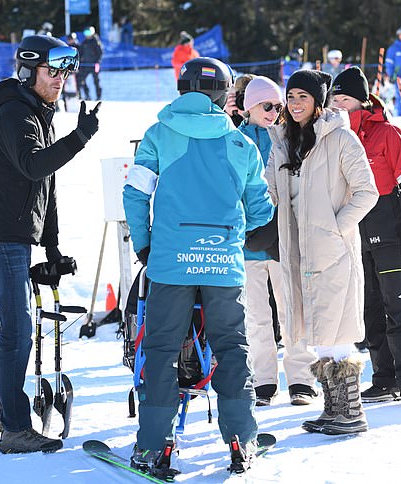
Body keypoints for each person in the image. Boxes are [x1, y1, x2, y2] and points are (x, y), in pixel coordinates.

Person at [123, 57, 274, 471]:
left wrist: (145, 246)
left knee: (160, 349)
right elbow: (261, 210)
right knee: (231, 347)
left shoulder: (156, 135)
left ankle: (153, 444)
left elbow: (135, 195)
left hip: (170, 261)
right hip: (223, 261)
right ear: (225, 95)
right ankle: (241, 439)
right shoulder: (241, 145)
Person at [0, 34, 100, 454]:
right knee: (18, 332)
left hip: (14, 236)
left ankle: (3, 408)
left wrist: (52, 245)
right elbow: (33, 166)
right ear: (28, 73)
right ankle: (13, 426)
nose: (60, 79)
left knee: (16, 330)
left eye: (64, 71)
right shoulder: (15, 116)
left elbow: (47, 184)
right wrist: (79, 138)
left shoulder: (38, 115)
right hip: (0, 237)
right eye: (52, 71)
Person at [266, 69, 379, 435]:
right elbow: (269, 191)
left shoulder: (341, 138)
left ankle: (351, 412)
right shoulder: (284, 141)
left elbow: (367, 192)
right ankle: (334, 410)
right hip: (298, 250)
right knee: (318, 331)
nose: (295, 103)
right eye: (291, 96)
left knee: (337, 330)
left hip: (332, 250)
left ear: (318, 101)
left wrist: (335, 229)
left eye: (303, 96)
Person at [332, 66, 401, 407]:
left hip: (390, 234)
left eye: (345, 99)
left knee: (397, 308)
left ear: (361, 99)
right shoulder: (333, 138)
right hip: (353, 237)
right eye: (335, 100)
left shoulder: (387, 132)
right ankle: (384, 379)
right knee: (369, 311)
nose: (339, 106)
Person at [239, 75, 318, 406]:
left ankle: (301, 378)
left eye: (277, 106)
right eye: (266, 106)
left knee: (291, 310)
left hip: (283, 237)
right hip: (245, 241)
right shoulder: (233, 140)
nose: (273, 112)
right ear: (249, 107)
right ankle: (264, 379)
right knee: (256, 316)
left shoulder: (287, 139)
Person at [78, 26, 103, 100]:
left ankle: (98, 96)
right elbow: (80, 52)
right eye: (86, 33)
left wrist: (97, 62)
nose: (87, 35)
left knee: (96, 81)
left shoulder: (95, 41)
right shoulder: (84, 42)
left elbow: (100, 53)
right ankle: (87, 95)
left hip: (94, 65)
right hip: (85, 65)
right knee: (80, 80)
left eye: (88, 33)